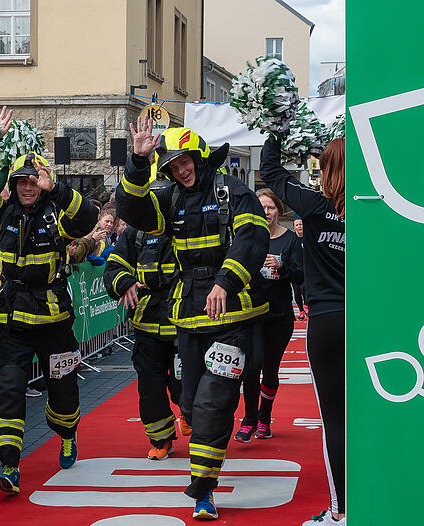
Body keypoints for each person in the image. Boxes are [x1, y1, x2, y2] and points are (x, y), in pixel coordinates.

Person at [116, 119, 269, 520]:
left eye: (185, 162)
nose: (181, 170)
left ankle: (204, 490)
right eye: (173, 166)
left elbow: (253, 239)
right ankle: (197, 456)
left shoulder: (234, 192)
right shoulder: (168, 199)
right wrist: (137, 161)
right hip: (188, 315)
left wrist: (226, 282)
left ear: (200, 158)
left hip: (232, 312)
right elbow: (132, 209)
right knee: (190, 401)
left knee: (214, 403)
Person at [0, 137, 97, 494]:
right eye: (21, 181)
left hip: (55, 321)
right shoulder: (1, 214)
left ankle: (67, 435)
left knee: (64, 390)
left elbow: (88, 218)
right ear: (12, 185)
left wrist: (56, 189)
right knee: (8, 391)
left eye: (34, 180)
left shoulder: (58, 213)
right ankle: (10, 466)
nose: (28, 186)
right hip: (13, 323)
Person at [260, 137, 345, 526]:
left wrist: (276, 131)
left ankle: (341, 509)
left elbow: (273, 173)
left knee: (336, 419)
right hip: (372, 321)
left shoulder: (314, 205)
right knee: (374, 411)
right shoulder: (380, 205)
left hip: (327, 320)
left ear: (324, 172)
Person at [103, 206, 182, 460]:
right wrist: (124, 283)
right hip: (147, 323)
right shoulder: (135, 232)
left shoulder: (188, 222)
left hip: (184, 321)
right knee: (150, 386)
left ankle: (189, 413)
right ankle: (161, 439)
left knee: (184, 381)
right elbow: (114, 266)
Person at [234, 189, 303, 442]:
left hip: (279, 314)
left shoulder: (290, 240)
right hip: (252, 314)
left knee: (270, 370)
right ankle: (249, 419)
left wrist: (282, 266)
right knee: (250, 368)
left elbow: (301, 275)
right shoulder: (248, 239)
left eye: (271, 208)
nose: (266, 212)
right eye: (261, 208)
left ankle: (264, 418)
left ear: (278, 211)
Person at [292, 216, 307, 320]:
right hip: (295, 269)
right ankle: (301, 310)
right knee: (297, 292)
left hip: (307, 269)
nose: (299, 226)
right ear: (294, 227)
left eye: (301, 224)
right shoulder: (293, 239)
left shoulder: (308, 238)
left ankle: (306, 306)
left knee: (305, 289)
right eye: (297, 225)